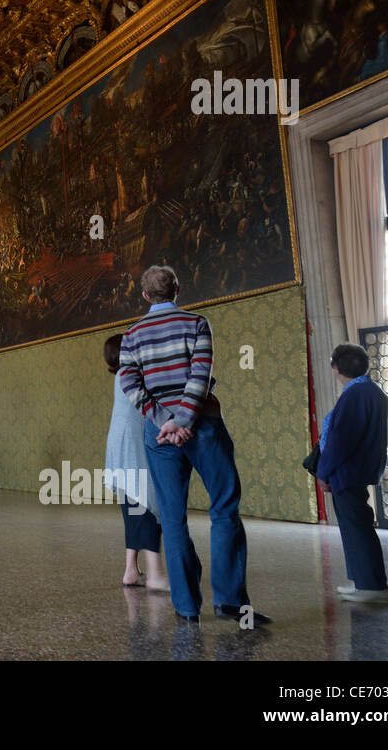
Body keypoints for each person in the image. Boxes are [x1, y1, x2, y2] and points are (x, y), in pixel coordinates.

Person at [117, 264, 268, 625]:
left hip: (159, 434)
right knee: (224, 508)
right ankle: (230, 601)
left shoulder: (132, 335)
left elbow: (130, 384)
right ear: (177, 289)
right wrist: (184, 420)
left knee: (171, 519)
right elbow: (200, 375)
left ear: (144, 295)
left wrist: (163, 421)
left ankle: (186, 609)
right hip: (204, 426)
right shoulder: (196, 324)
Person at [317, 343, 388, 605]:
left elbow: (341, 440)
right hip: (359, 469)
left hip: (348, 471)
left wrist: (324, 471)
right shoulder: (373, 392)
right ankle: (363, 582)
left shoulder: (355, 395)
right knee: (354, 527)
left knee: (358, 528)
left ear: (337, 368)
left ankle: (373, 586)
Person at [102, 333, 168, 591]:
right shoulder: (132, 374)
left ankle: (131, 569)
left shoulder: (120, 376)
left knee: (132, 504)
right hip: (132, 442)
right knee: (148, 503)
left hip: (119, 442)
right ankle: (155, 574)